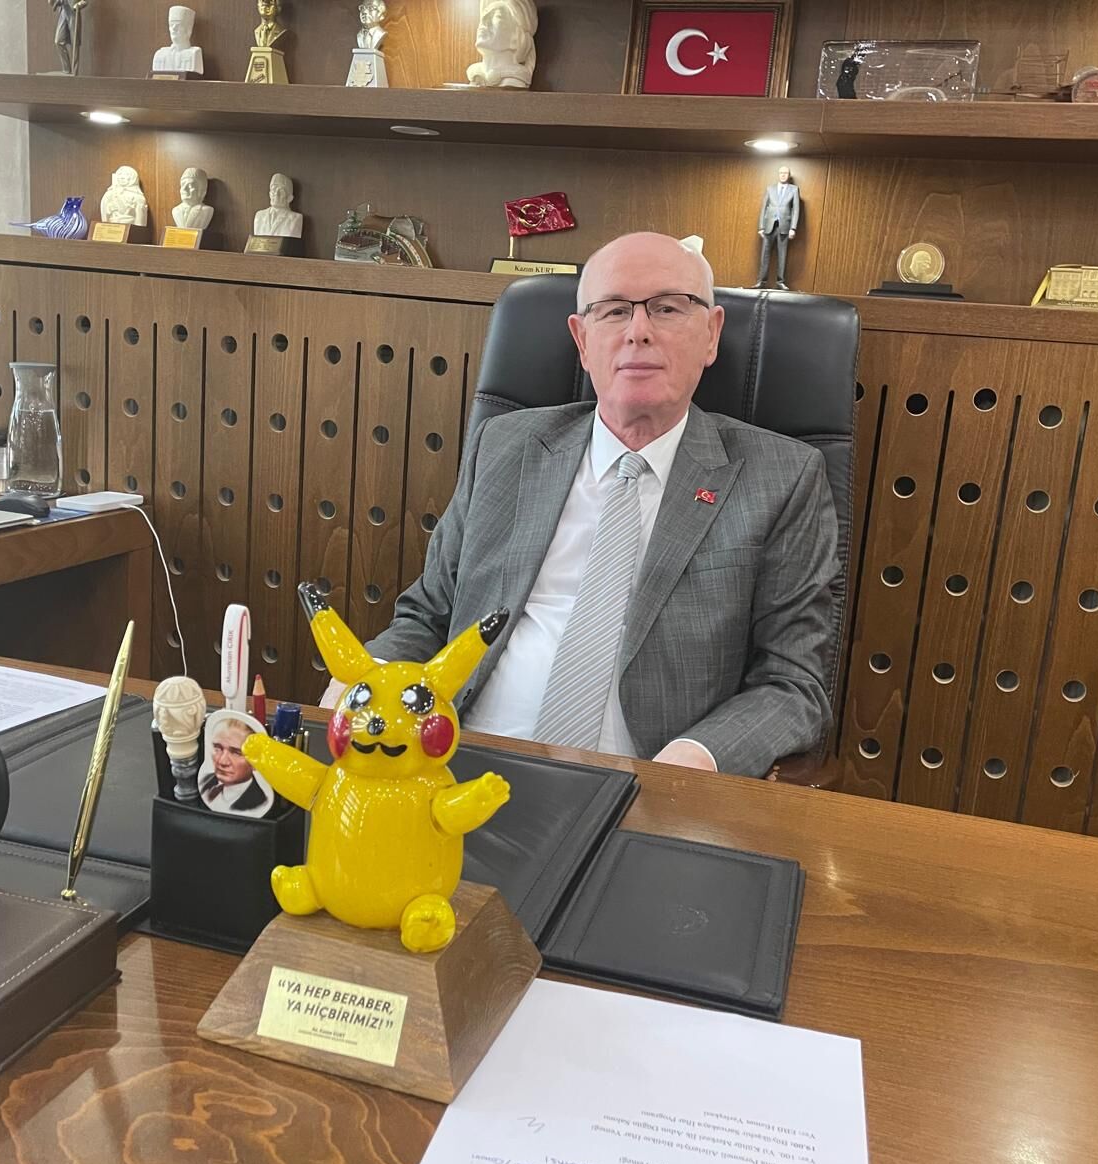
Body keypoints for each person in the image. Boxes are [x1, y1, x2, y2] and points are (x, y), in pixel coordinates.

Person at [329, 231, 841, 778]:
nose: (638, 331)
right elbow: (430, 613)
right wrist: (367, 676)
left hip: (647, 787)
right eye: (614, 310)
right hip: (452, 767)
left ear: (712, 333)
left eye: (668, 308)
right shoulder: (506, 446)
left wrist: (698, 757)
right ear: (582, 339)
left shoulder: (781, 478)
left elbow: (792, 682)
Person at [199, 716, 273, 814]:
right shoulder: (205, 782)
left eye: (236, 753)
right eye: (218, 748)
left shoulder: (260, 803)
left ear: (256, 762)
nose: (222, 761)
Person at [466, 0, 538, 89]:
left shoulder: (513, 81)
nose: (484, 23)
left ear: (516, 37)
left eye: (497, 17)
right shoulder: (476, 76)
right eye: (484, 16)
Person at [755, 166, 799, 290]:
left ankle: (780, 282)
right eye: (781, 173)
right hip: (769, 226)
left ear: (789, 175)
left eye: (785, 173)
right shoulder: (770, 189)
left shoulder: (794, 189)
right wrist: (761, 227)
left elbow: (796, 209)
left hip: (784, 226)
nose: (783, 175)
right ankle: (761, 281)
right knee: (764, 254)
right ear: (778, 174)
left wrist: (793, 228)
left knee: (782, 255)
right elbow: (764, 208)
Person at [153, 6, 205, 75]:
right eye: (171, 25)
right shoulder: (160, 54)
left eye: (178, 25)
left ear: (188, 29)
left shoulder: (194, 53)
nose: (173, 29)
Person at [253, 173, 304, 238]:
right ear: (270, 194)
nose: (276, 194)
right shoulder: (259, 216)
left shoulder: (295, 218)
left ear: (290, 198)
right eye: (273, 190)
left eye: (281, 191)